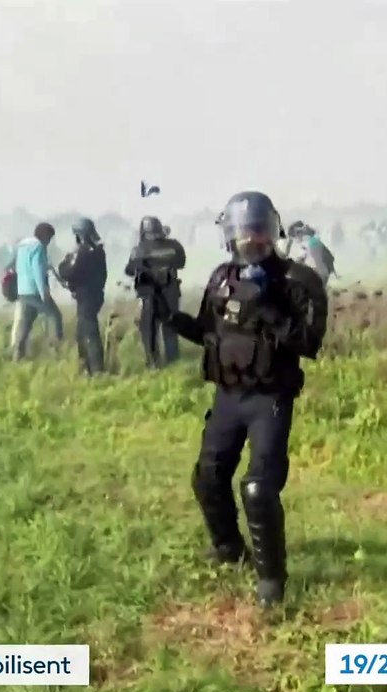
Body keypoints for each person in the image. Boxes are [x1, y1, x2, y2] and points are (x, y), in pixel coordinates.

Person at [154, 191, 328, 608]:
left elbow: (309, 342)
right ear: (229, 234)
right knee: (208, 476)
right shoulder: (220, 277)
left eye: (256, 232)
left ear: (272, 232)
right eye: (241, 233)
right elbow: (208, 333)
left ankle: (271, 583)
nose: (249, 241)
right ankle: (228, 549)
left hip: (269, 398)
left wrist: (268, 310)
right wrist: (173, 319)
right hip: (229, 394)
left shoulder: (297, 281)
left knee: (257, 489)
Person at [126, 216, 186, 368]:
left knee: (149, 331)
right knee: (170, 328)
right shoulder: (174, 245)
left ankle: (154, 365)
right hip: (171, 292)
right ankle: (174, 363)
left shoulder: (140, 249)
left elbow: (129, 270)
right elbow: (181, 263)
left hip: (149, 294)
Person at [56, 217, 108, 374]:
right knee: (81, 333)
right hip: (94, 295)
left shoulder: (83, 252)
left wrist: (66, 261)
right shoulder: (98, 250)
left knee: (89, 334)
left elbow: (69, 272)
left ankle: (96, 370)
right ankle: (86, 367)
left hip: (86, 297)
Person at [10, 222, 63, 360]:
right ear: (45, 236)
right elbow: (37, 270)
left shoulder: (22, 247)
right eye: (49, 239)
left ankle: (18, 355)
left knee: (25, 324)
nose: (49, 242)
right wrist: (43, 292)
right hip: (35, 291)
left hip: (23, 291)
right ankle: (56, 349)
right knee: (54, 316)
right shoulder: (37, 247)